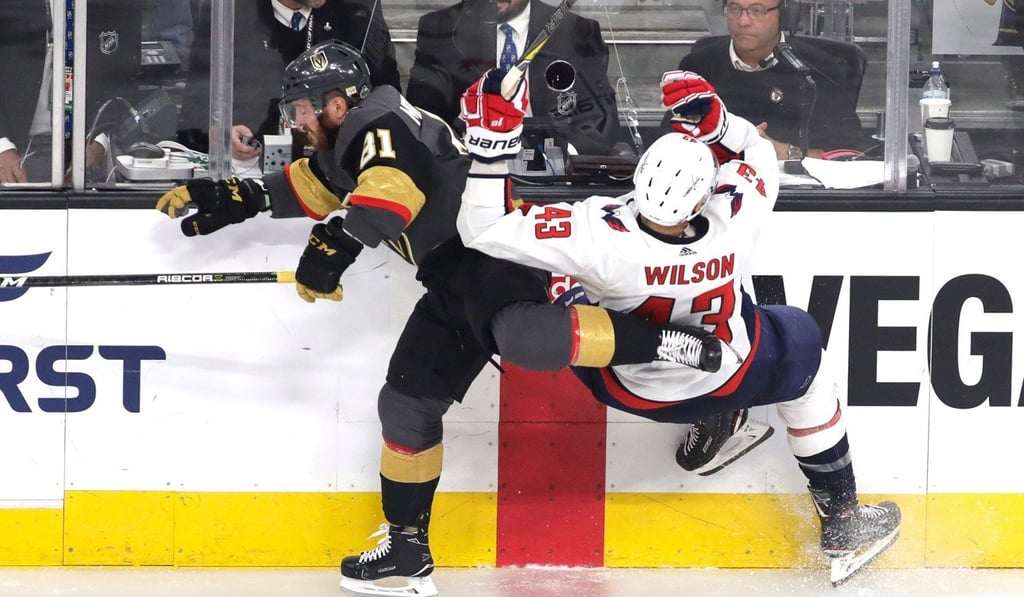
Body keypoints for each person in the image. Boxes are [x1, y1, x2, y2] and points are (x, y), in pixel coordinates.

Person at [155, 41, 722, 596]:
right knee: (407, 403)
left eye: (302, 108)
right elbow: (320, 186)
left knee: (524, 335)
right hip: (450, 274)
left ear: (336, 104)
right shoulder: (359, 135)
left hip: (493, 251)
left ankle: (669, 344)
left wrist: (336, 247)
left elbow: (391, 193)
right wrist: (237, 197)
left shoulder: (376, 122)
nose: (295, 121)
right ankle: (407, 547)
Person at [457, 68, 901, 586]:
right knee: (798, 341)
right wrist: (720, 125)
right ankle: (843, 520)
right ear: (703, 196)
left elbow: (482, 228)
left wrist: (491, 147)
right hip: (727, 376)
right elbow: (757, 152)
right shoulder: (736, 214)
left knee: (559, 278)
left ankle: (717, 419)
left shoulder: (596, 233)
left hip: (626, 388)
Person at [177, 0, 401, 161]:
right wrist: (218, 132)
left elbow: (389, 100)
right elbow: (195, 106)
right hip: (250, 170)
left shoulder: (356, 13)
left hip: (334, 171)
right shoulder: (229, 13)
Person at [406, 0, 630, 156]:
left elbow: (601, 121)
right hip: (470, 169)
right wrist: (461, 153)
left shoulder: (577, 31)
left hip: (555, 179)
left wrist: (563, 156)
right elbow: (423, 115)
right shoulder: (440, 28)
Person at [671, 0, 870, 160]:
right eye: (734, 8)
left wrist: (786, 152)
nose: (743, 21)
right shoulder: (698, 65)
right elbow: (671, 140)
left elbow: (851, 154)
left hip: (796, 194)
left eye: (757, 10)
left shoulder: (817, 69)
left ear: (784, 16)